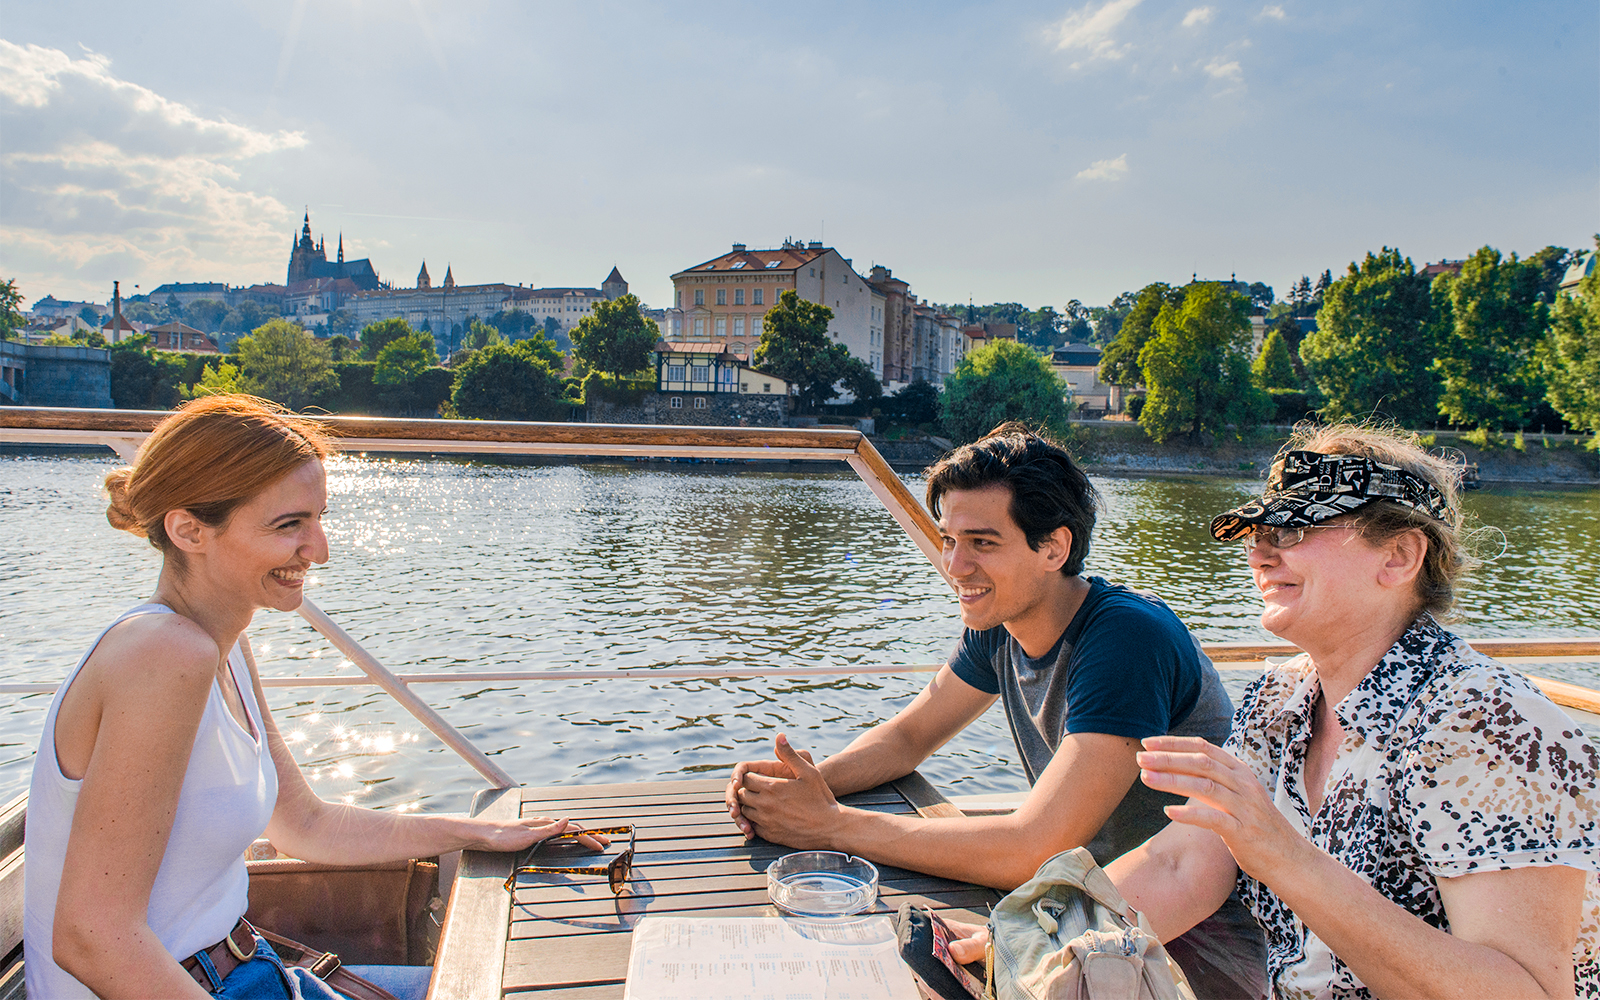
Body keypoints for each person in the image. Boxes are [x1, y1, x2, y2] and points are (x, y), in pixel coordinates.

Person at [951, 424, 1600, 997]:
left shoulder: (1488, 726)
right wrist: (1024, 940)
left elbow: (1528, 993)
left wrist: (1284, 856)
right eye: (1258, 532)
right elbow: (1184, 865)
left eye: (1293, 530)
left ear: (1399, 556)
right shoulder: (1280, 701)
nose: (1260, 553)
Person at [24, 395, 604, 1000]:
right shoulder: (163, 654)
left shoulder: (219, 646)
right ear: (189, 529)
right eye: (289, 525)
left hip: (248, 971)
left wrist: (476, 832)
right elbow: (92, 936)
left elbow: (306, 826)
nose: (319, 550)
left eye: (318, 518)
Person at [725, 423, 1267, 999]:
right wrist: (797, 787)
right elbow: (907, 739)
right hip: (1076, 911)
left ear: (1053, 548)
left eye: (982, 543)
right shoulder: (1001, 624)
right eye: (949, 540)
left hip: (1186, 950)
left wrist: (830, 824)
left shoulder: (1125, 640)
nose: (956, 567)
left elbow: (1033, 845)